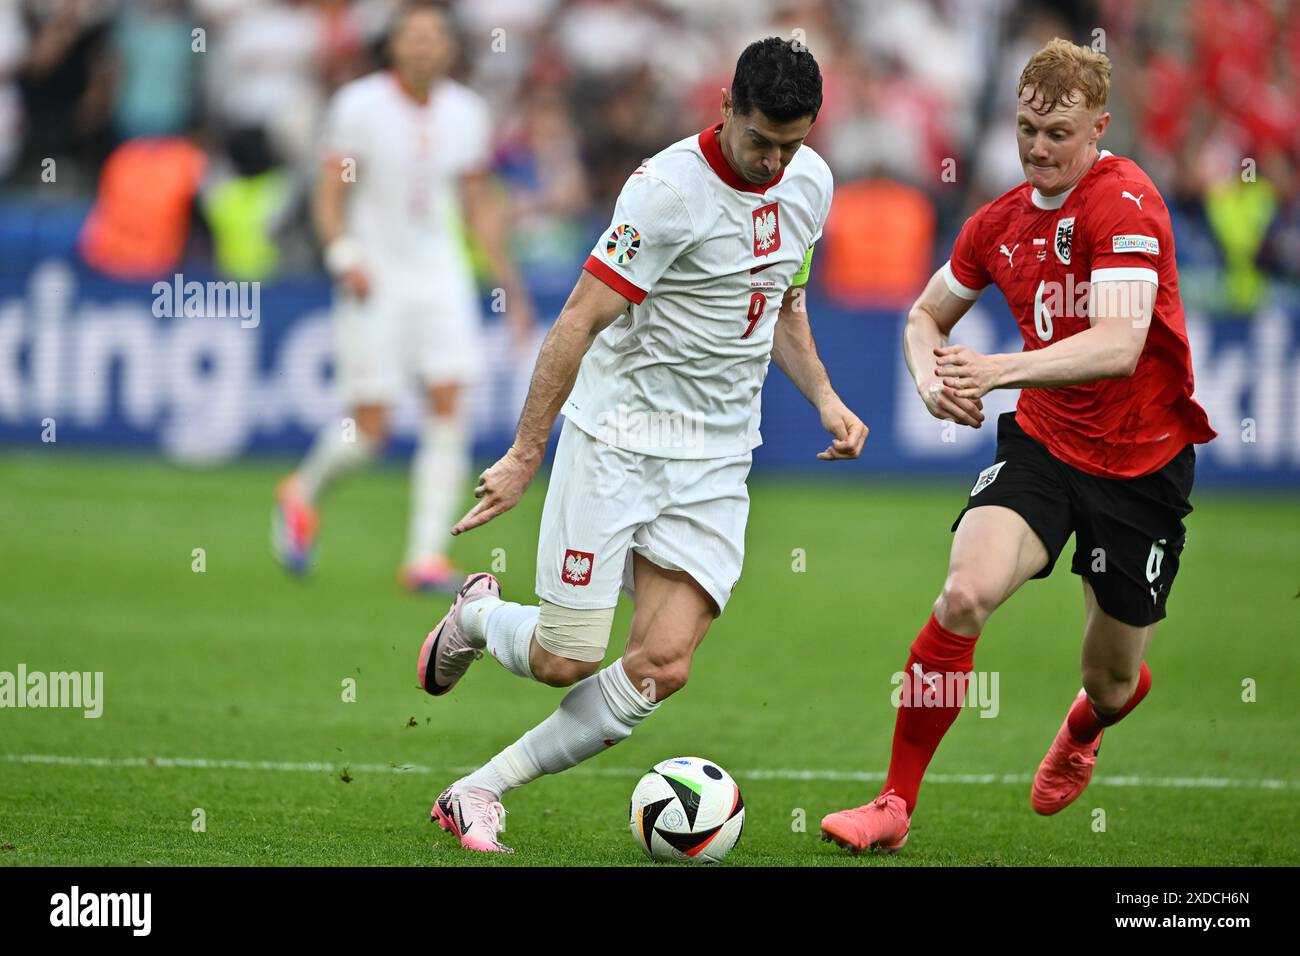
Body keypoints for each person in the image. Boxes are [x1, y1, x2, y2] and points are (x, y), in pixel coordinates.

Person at [417, 37, 868, 853]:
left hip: (719, 456)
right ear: (724, 108)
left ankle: (478, 789)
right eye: (760, 139)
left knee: (662, 665)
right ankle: (478, 617)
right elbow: (578, 320)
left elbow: (782, 306)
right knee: (565, 658)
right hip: (619, 438)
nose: (773, 162)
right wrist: (525, 453)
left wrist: (828, 398)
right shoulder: (663, 194)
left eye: (791, 144)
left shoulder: (813, 183)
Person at [820, 38, 1217, 854]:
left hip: (1142, 463)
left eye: (1059, 133)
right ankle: (893, 804)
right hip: (1044, 446)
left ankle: (1085, 725)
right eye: (1027, 128)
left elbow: (1118, 344)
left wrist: (998, 368)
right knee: (963, 594)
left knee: (1109, 680)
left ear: (1100, 128)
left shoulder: (1127, 201)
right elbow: (923, 317)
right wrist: (930, 379)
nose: (1038, 147)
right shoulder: (996, 224)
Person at [273, 1, 534, 593]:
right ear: (392, 46)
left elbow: (477, 204)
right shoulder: (358, 105)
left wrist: (508, 285)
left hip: (440, 277)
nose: (423, 47)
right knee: (370, 431)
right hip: (377, 277)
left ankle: (424, 558)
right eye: (411, 37)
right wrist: (344, 254)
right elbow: (331, 191)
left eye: (433, 37)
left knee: (450, 406)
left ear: (448, 49)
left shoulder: (466, 112)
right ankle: (301, 490)